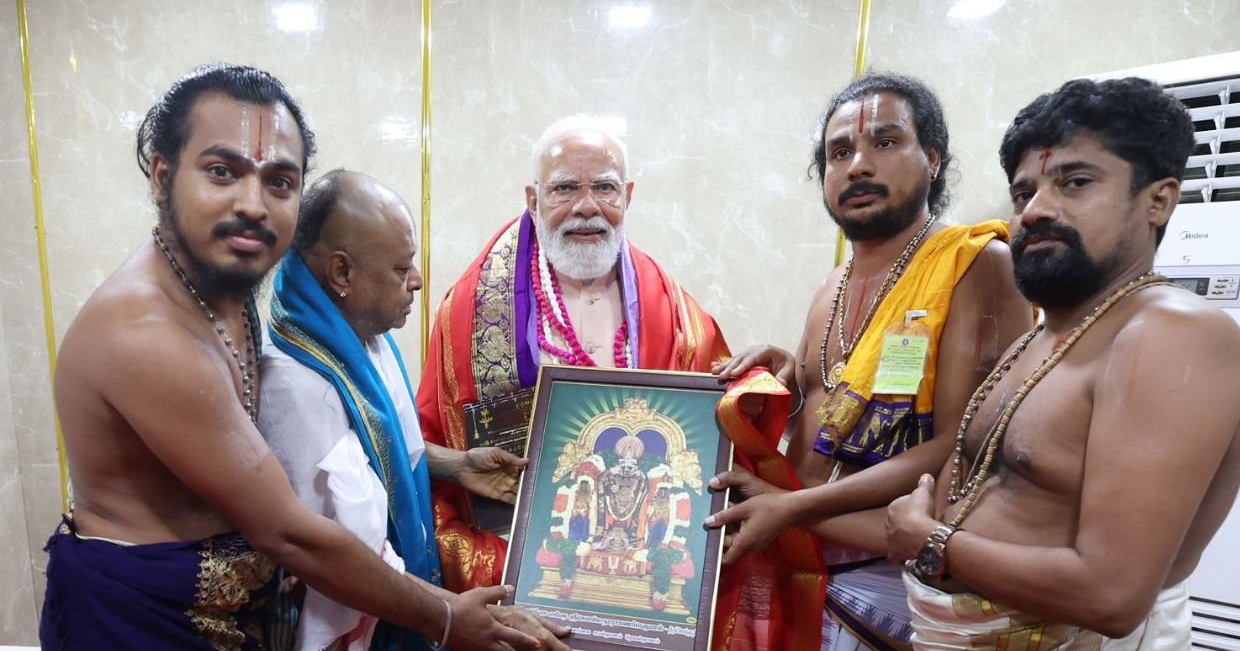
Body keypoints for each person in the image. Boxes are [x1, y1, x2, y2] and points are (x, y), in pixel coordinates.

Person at [41, 64, 567, 651]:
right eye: (222, 171)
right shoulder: (144, 331)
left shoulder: (228, 296)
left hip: (235, 612)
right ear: (163, 177)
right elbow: (291, 533)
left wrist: (448, 464)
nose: (254, 204)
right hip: (137, 620)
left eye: (279, 182)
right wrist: (448, 619)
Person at [417, 115, 826, 650]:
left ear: (628, 195)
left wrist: (760, 382)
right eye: (565, 188)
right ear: (533, 198)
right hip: (514, 558)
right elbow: (432, 439)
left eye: (604, 187)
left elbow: (713, 412)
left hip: (643, 570)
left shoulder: (670, 306)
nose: (587, 206)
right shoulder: (469, 312)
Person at [885, 77, 1240, 648]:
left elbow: (1111, 597)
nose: (1035, 210)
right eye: (1023, 192)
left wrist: (931, 543)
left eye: (1075, 182)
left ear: (1159, 199)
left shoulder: (1172, 334)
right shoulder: (1045, 336)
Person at [708, 73, 1032, 650]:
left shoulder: (979, 264)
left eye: (884, 143)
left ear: (932, 158)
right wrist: (782, 373)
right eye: (839, 153)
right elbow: (831, 399)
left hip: (886, 579)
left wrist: (795, 509)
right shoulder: (832, 285)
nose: (857, 166)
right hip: (792, 556)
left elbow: (965, 444)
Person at [257, 169, 538, 650]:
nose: (418, 280)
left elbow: (374, 456)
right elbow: (341, 558)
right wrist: (449, 617)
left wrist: (455, 465)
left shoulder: (358, 330)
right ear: (342, 272)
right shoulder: (297, 382)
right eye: (400, 268)